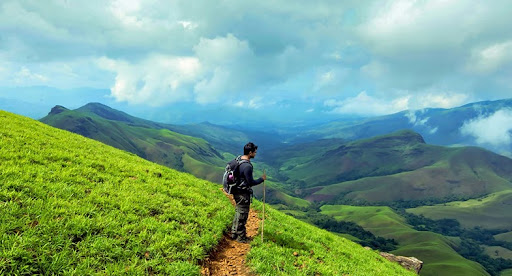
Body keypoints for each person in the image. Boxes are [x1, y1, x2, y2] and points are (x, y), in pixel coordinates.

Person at [231, 142, 266, 243]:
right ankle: (240, 237)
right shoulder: (247, 166)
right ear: (250, 152)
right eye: (254, 152)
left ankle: (234, 232)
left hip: (236, 190)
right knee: (242, 214)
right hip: (242, 193)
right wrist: (261, 179)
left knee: (238, 211)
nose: (255, 154)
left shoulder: (239, 159)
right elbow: (250, 182)